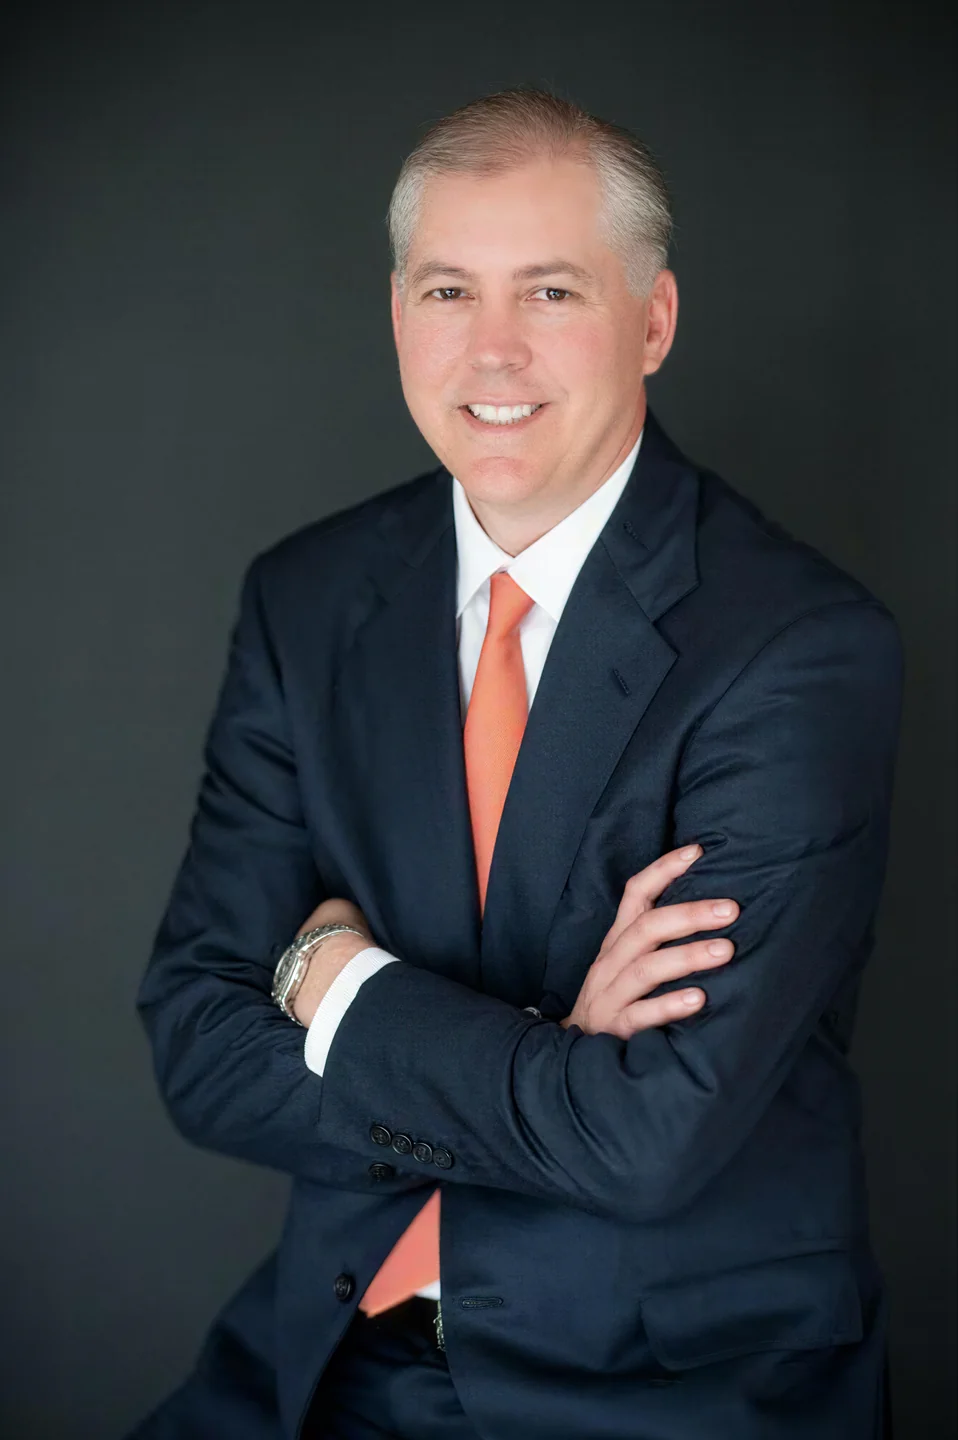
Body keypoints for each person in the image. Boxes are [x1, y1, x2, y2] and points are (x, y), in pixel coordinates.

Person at [129, 88, 902, 1439]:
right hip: (322, 1348)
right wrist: (553, 1062)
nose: (489, 349)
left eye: (549, 291)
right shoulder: (307, 599)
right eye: (445, 290)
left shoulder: (795, 649)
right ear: (394, 313)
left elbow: (644, 1140)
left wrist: (333, 983)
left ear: (651, 319)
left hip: (663, 1385)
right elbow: (200, 1051)